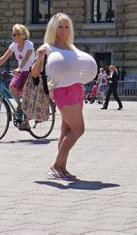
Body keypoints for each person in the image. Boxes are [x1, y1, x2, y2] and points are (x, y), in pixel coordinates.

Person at [31, 13, 97, 181]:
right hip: (63, 91)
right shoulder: (48, 47)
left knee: (66, 130)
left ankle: (62, 168)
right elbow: (35, 73)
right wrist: (39, 58)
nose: (63, 30)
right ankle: (56, 165)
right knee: (79, 129)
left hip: (77, 89)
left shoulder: (71, 48)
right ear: (53, 29)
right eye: (60, 27)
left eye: (66, 27)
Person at [0, 24, 35, 104]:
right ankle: (20, 106)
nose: (12, 36)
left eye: (14, 35)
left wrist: (20, 68)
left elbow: (26, 58)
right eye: (12, 34)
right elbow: (3, 58)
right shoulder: (13, 45)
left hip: (31, 72)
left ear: (22, 35)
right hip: (20, 72)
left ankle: (27, 108)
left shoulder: (29, 45)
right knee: (12, 87)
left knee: (27, 93)